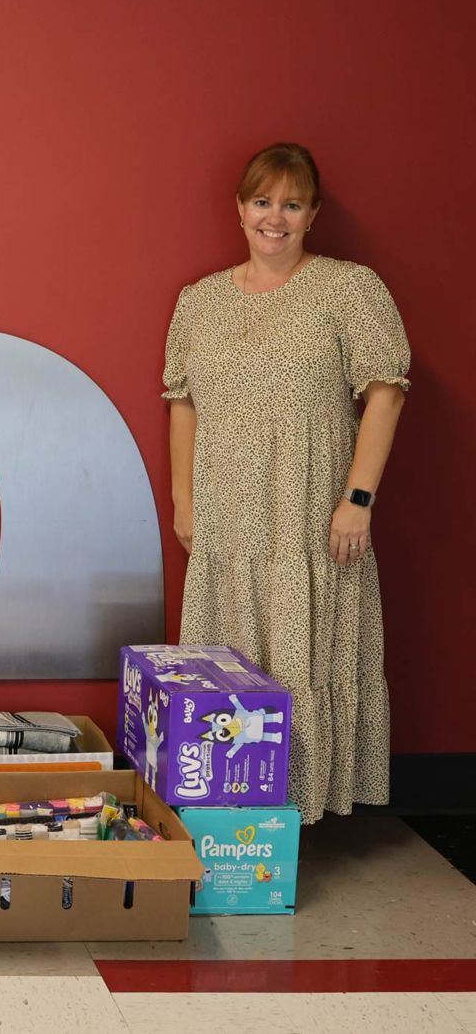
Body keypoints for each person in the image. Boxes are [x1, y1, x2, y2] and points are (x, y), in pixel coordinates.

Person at [163, 142, 409, 823]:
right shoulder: (199, 301)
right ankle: (228, 816)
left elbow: (386, 394)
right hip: (225, 520)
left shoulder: (348, 289)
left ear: (313, 214)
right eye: (264, 202)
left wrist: (358, 500)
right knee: (227, 665)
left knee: (305, 659)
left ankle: (297, 809)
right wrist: (185, 498)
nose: (276, 217)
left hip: (309, 518)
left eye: (292, 204)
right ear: (240, 209)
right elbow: (181, 400)